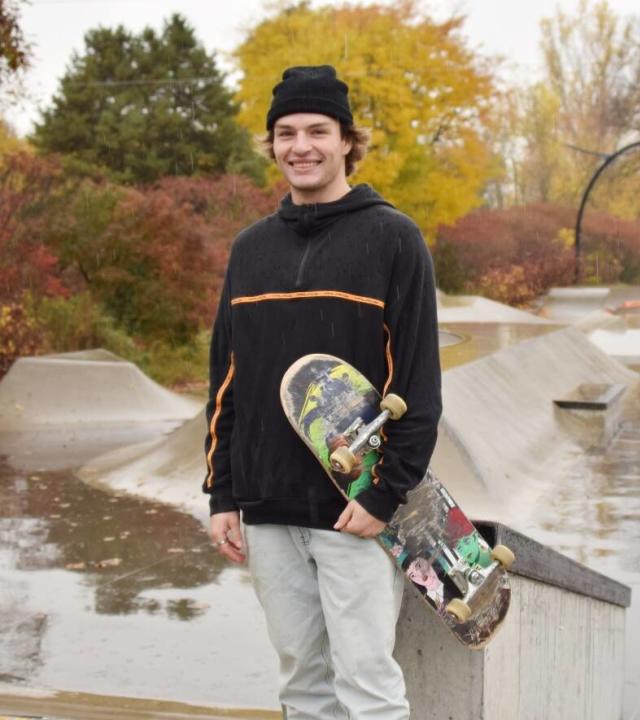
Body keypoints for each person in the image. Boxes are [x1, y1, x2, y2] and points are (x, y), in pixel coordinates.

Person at [202, 65, 442, 720]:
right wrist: (223, 493)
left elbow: (417, 383)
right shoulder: (251, 249)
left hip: (353, 508)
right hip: (267, 506)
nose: (300, 145)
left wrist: (384, 493)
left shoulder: (393, 238)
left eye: (316, 130)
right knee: (302, 686)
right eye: (285, 132)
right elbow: (226, 379)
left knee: (366, 686)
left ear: (345, 141)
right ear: (272, 144)